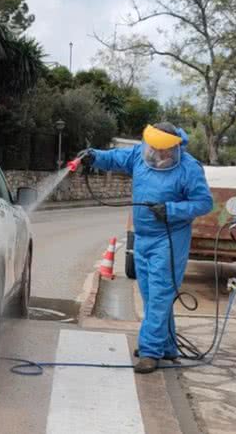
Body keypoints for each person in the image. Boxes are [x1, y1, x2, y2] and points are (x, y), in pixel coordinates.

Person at [81, 122, 213, 373]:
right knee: (152, 295)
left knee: (160, 294)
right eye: (154, 149)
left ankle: (150, 352)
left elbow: (204, 203)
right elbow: (115, 158)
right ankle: (168, 347)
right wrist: (94, 156)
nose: (158, 155)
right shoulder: (140, 155)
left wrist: (172, 210)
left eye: (163, 151)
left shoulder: (188, 168)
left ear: (174, 148)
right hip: (142, 237)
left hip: (169, 238)